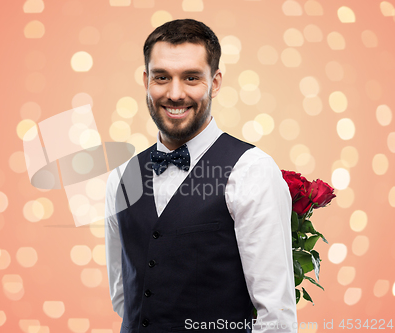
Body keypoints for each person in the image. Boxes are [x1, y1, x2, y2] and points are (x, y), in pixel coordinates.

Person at [105, 19, 297, 332]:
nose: (175, 93)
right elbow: (123, 297)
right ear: (145, 81)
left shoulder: (252, 170)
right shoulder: (121, 178)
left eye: (191, 78)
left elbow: (276, 315)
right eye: (162, 77)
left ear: (216, 82)